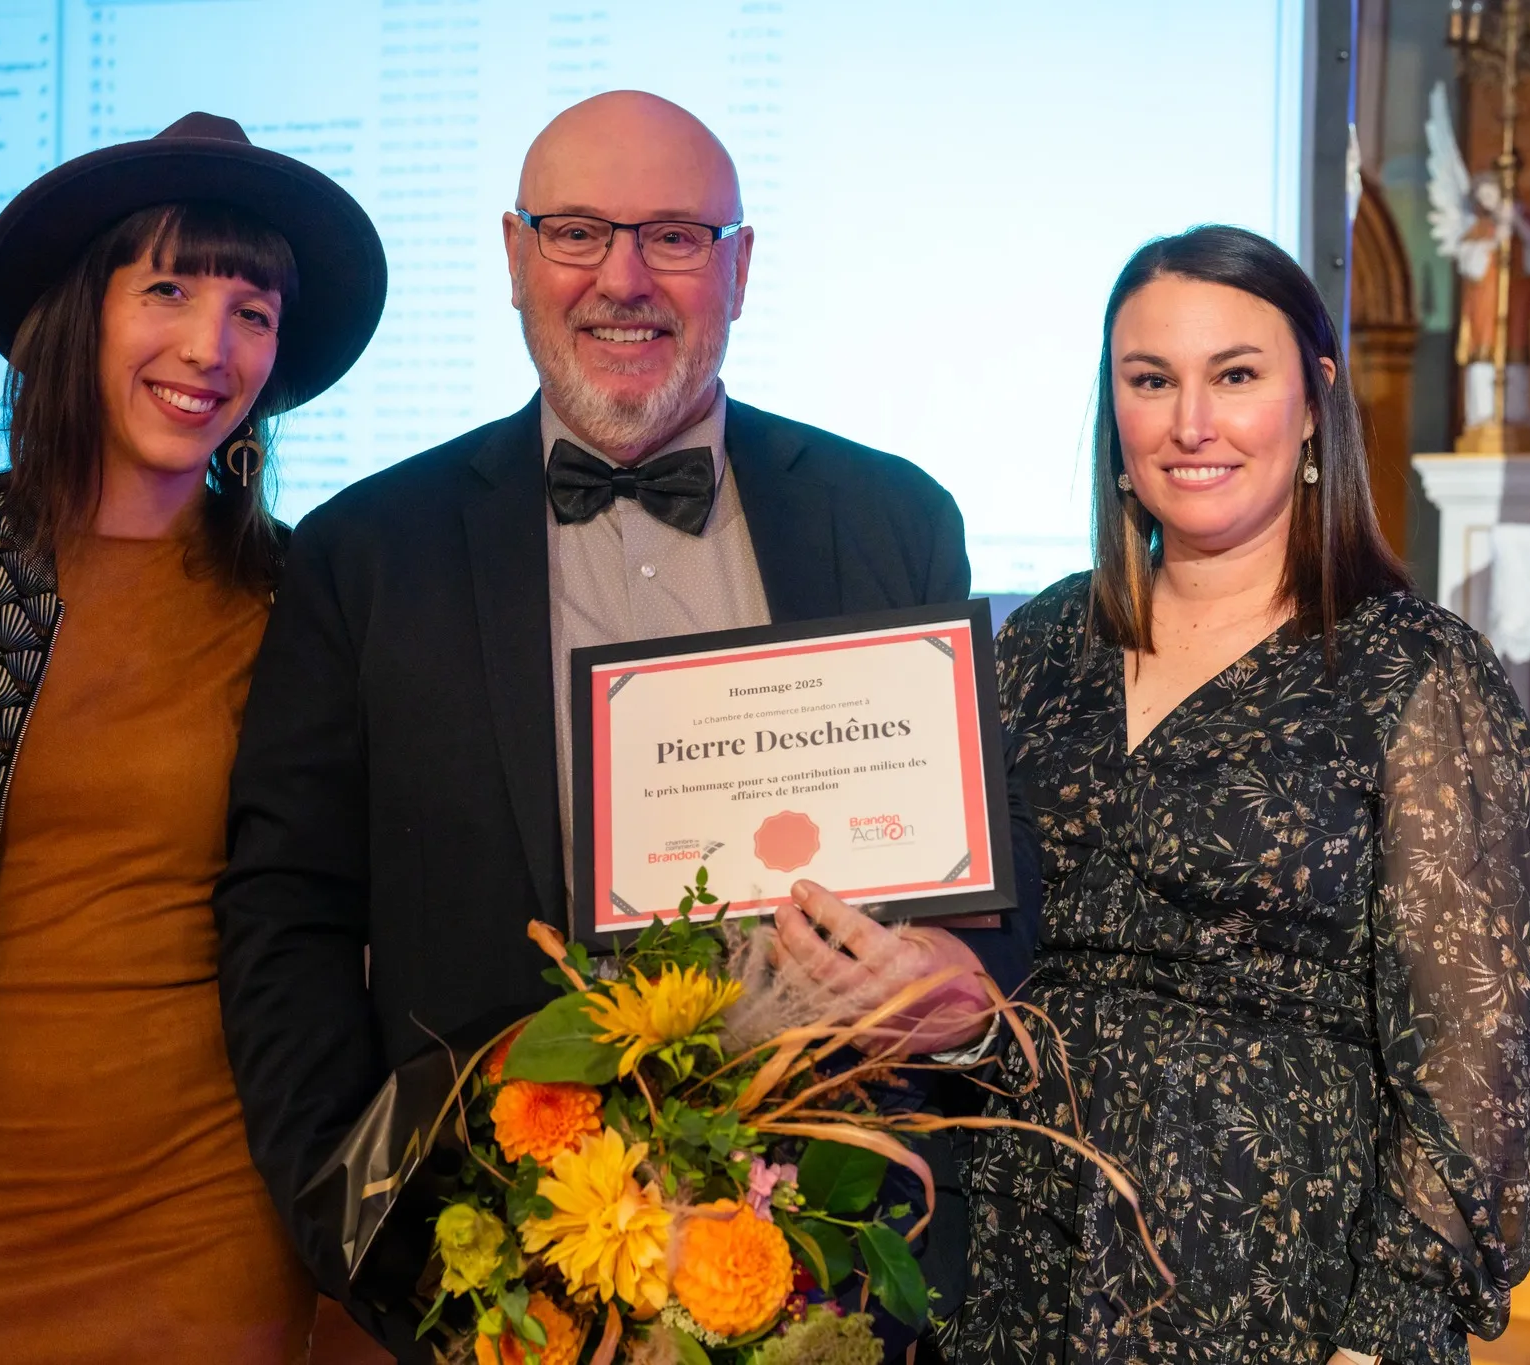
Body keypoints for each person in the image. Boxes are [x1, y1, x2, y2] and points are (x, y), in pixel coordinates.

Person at [214, 90, 1040, 1361]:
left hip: (841, 1275)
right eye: (577, 233)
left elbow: (978, 881)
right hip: (499, 1283)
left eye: (673, 237)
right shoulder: (368, 555)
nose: (623, 280)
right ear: (510, 257)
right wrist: (362, 1225)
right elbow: (287, 914)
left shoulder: (890, 517)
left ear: (739, 268)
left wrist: (966, 995)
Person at [0, 113, 386, 1362]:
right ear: (80, 311)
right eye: (166, 287)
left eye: (253, 310)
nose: (210, 348)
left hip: (208, 1207)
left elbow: (330, 899)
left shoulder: (297, 598)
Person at [955, 225, 1530, 1365]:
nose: (1191, 422)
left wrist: (1385, 1331)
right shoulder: (1032, 648)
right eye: (1150, 381)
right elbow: (971, 972)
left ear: (1313, 397)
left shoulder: (1411, 673)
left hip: (1281, 1289)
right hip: (1011, 1262)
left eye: (1234, 375)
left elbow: (1480, 1072)